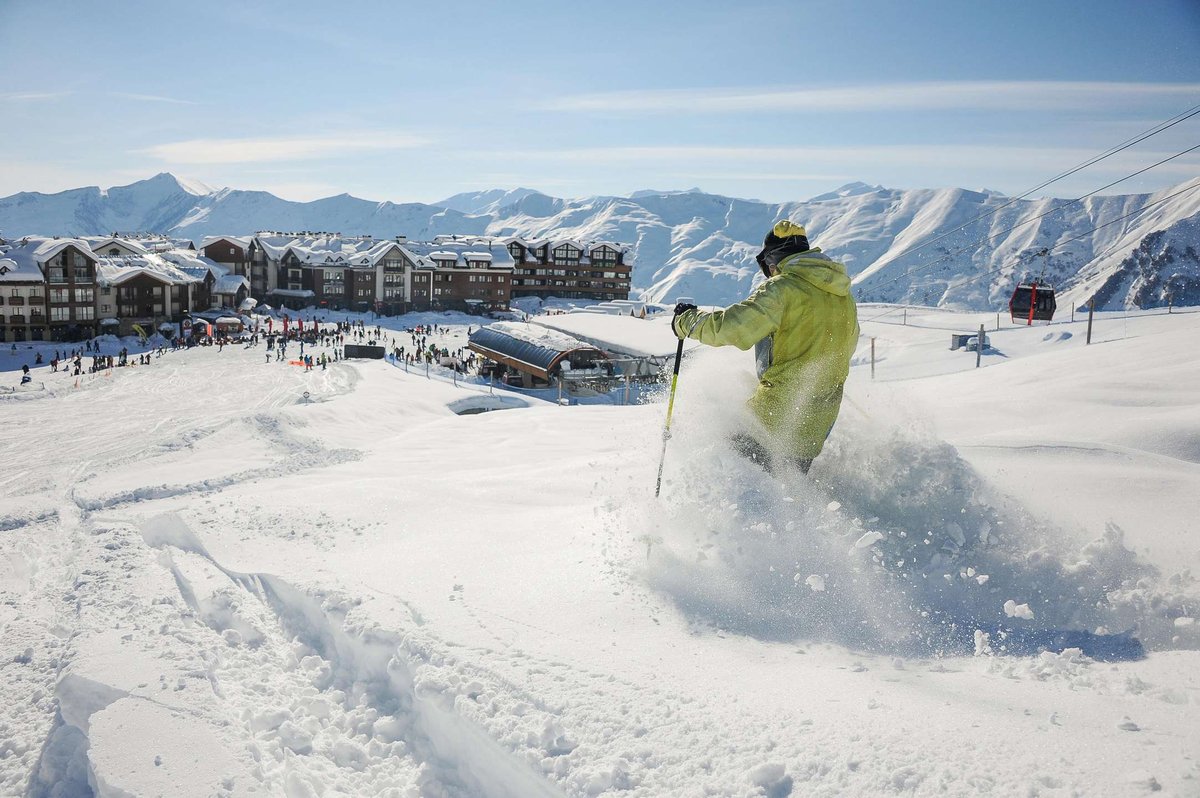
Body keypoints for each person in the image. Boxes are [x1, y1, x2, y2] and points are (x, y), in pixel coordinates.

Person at [671, 220, 859, 474]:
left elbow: (731, 328)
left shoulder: (783, 289)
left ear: (773, 261)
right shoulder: (842, 296)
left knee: (730, 477)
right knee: (783, 493)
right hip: (816, 424)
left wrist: (686, 321)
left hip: (773, 418)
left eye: (768, 268)